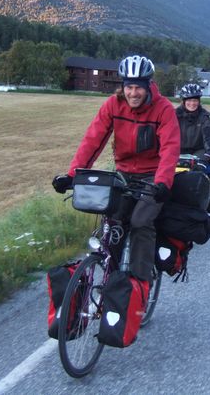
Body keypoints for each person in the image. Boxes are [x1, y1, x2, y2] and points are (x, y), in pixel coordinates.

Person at [52, 55, 180, 282]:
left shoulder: (163, 109)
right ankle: (113, 278)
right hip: (123, 173)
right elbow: (93, 140)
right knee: (113, 222)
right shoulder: (113, 105)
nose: (133, 93)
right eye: (129, 87)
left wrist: (163, 182)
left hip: (152, 176)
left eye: (138, 88)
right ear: (123, 86)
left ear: (148, 86)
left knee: (141, 221)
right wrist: (73, 175)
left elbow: (170, 149)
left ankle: (139, 284)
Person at [175, 82, 210, 211]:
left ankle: (196, 205)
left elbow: (209, 135)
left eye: (195, 100)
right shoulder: (174, 115)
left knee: (197, 172)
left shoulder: (204, 117)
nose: (192, 103)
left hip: (198, 151)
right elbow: (165, 133)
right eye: (189, 100)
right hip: (176, 151)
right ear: (184, 101)